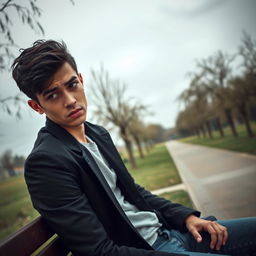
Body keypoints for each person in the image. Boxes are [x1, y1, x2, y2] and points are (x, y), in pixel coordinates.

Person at [11, 39, 256, 256]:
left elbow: (134, 192)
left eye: (72, 84)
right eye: (53, 95)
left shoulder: (98, 134)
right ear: (37, 106)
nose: (70, 100)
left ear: (82, 80)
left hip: (172, 233)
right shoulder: (46, 162)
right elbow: (99, 251)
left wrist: (186, 217)